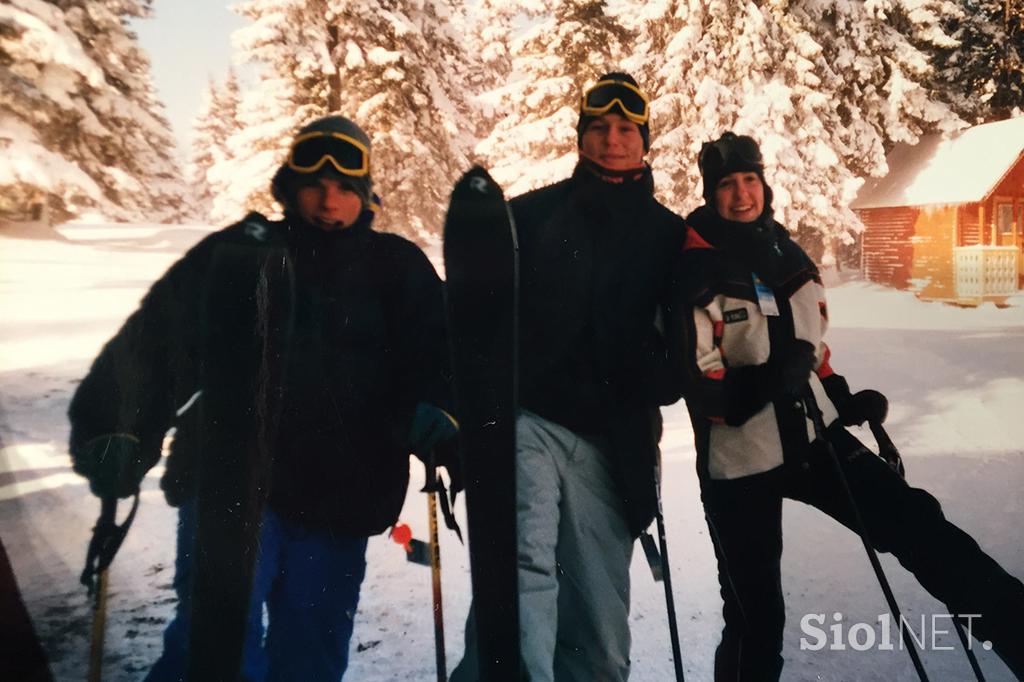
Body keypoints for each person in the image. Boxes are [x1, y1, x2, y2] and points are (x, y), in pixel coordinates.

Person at [67, 115, 457, 682]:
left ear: (366, 193)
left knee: (311, 660)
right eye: (315, 185)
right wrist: (117, 426)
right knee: (214, 655)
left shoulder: (396, 267)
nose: (329, 200)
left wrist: (442, 415)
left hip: (342, 498)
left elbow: (442, 359)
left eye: (345, 186)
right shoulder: (240, 253)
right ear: (288, 185)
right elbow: (155, 344)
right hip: (230, 490)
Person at [670, 131, 1024, 680]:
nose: (742, 194)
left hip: (815, 440)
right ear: (710, 194)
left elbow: (813, 346)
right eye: (726, 185)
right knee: (755, 617)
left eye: (749, 180)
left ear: (763, 184)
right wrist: (769, 381)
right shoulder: (696, 272)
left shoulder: (785, 253)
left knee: (921, 526)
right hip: (740, 464)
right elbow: (702, 384)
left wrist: (840, 393)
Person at [451, 72, 685, 682]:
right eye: (599, 128)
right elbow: (477, 321)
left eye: (626, 129)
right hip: (531, 423)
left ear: (644, 139)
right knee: (521, 572)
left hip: (617, 442)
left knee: (599, 625)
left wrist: (654, 373)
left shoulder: (668, 235)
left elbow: (686, 346)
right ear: (580, 137)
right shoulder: (527, 217)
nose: (612, 139)